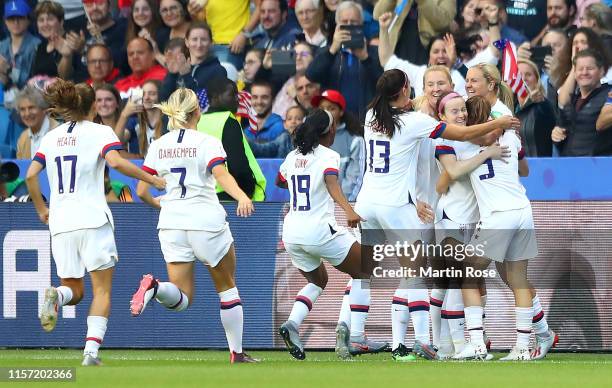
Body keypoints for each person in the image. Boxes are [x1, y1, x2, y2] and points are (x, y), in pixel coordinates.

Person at [354, 69, 520, 361]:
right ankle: (423, 342)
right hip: (402, 207)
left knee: (367, 272)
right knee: (420, 274)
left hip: (368, 202)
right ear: (406, 89)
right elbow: (460, 139)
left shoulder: (371, 117)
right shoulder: (416, 123)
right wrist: (499, 124)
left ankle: (361, 334)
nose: (460, 114)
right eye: (453, 110)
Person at [25, 79, 165, 366]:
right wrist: (151, 178)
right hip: (92, 219)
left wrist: (42, 209)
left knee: (74, 292)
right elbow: (115, 162)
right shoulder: (100, 132)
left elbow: (29, 175)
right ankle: (90, 353)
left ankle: (57, 295)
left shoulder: (51, 137)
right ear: (92, 107)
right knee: (101, 291)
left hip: (61, 222)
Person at [131, 87, 257, 364]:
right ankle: (236, 353)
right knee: (227, 287)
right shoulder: (206, 142)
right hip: (205, 220)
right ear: (197, 112)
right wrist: (241, 196)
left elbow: (141, 191)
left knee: (182, 297)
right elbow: (221, 174)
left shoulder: (158, 145)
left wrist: (161, 205)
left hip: (172, 223)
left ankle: (154, 287)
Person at [437, 95, 556, 361]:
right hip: (523, 211)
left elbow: (449, 175)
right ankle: (525, 346)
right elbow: (523, 166)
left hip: (498, 216)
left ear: (470, 119)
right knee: (517, 279)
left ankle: (477, 345)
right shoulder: (512, 138)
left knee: (468, 273)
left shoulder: (464, 144)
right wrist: (503, 126)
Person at [276, 108, 387, 360]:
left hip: (292, 232)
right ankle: (357, 337)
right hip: (319, 229)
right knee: (364, 269)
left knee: (318, 281)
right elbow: (331, 182)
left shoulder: (292, 156)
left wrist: (300, 177)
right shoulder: (329, 155)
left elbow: (280, 180)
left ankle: (293, 323)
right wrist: (349, 210)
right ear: (330, 131)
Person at [433, 92, 510, 359]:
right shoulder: (444, 142)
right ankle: (455, 345)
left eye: (463, 110)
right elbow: (448, 177)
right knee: (458, 281)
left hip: (474, 221)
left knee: (473, 281)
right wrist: (488, 152)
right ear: (442, 117)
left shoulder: (471, 139)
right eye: (453, 111)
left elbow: (499, 124)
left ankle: (465, 341)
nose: (461, 115)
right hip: (450, 221)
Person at [306, 1, 383, 119]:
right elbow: (311, 75)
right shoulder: (327, 52)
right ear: (337, 25)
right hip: (335, 123)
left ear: (361, 24)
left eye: (353, 22)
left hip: (367, 123)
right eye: (344, 22)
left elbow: (385, 84)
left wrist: (365, 58)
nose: (349, 26)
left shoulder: (374, 52)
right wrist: (332, 50)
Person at [198, 77, 267, 201]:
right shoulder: (228, 120)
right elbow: (237, 164)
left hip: (202, 196)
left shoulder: (197, 122)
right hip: (229, 197)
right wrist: (246, 193)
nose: (237, 99)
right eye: (232, 94)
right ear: (215, 97)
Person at [552, 49, 612, 156]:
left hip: (600, 167)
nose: (584, 72)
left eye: (590, 68)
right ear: (574, 73)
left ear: (602, 71)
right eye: (580, 69)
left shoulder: (609, 95)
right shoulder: (571, 101)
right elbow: (562, 133)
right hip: (570, 166)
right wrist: (556, 135)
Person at [311, 89, 364, 201]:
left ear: (341, 112)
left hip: (339, 206)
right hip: (314, 206)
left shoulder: (355, 140)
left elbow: (354, 179)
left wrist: (342, 205)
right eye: (321, 109)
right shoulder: (309, 139)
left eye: (331, 108)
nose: (326, 112)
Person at [373, 0, 456, 66]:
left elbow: (444, 21)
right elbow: (377, 15)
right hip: (397, 43)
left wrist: (423, 2)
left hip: (425, 46)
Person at [161, 22, 227, 100]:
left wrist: (186, 76)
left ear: (211, 43)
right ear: (187, 42)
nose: (199, 45)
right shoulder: (181, 67)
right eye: (194, 39)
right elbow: (163, 101)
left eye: (204, 39)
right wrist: (172, 74)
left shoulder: (218, 71)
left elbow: (205, 104)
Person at [30, 1, 82, 80]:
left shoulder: (72, 42)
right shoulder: (40, 46)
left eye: (50, 19)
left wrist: (66, 56)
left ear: (61, 22)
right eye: (41, 20)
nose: (45, 24)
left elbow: (64, 78)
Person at [115, 80, 168, 158]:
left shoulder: (168, 121)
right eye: (143, 94)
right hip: (139, 168)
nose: (146, 97)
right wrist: (124, 115)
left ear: (161, 96)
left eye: (152, 94)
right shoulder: (135, 121)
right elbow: (116, 143)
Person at [516, 58, 555, 156]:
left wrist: (531, 101)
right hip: (513, 168)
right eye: (519, 75)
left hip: (540, 167)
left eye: (528, 74)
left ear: (537, 79)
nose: (524, 78)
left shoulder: (543, 105)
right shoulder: (507, 106)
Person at [0, 0, 41, 90]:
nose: (16, 22)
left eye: (20, 17)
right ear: (5, 21)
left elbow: (36, 82)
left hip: (30, 98)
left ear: (28, 20)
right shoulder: (1, 46)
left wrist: (7, 69)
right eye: (11, 18)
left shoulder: (37, 46)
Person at [16, 86, 59, 159]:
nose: (27, 114)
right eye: (22, 109)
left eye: (31, 108)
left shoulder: (58, 133)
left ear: (44, 109)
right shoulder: (23, 138)